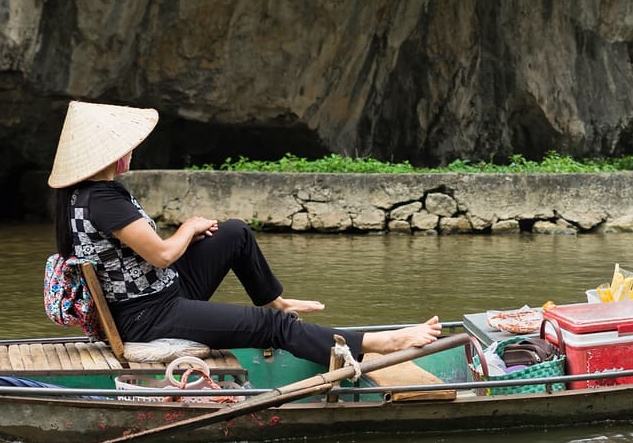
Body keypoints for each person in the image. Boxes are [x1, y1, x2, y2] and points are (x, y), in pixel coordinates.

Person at [47, 100, 440, 364]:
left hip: (161, 293)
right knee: (275, 330)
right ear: (113, 154)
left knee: (233, 233)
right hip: (148, 316)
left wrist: (195, 236)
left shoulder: (85, 195)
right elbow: (162, 255)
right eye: (128, 146)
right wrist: (187, 228)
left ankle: (276, 301)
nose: (132, 152)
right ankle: (380, 343)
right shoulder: (103, 199)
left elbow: (140, 258)